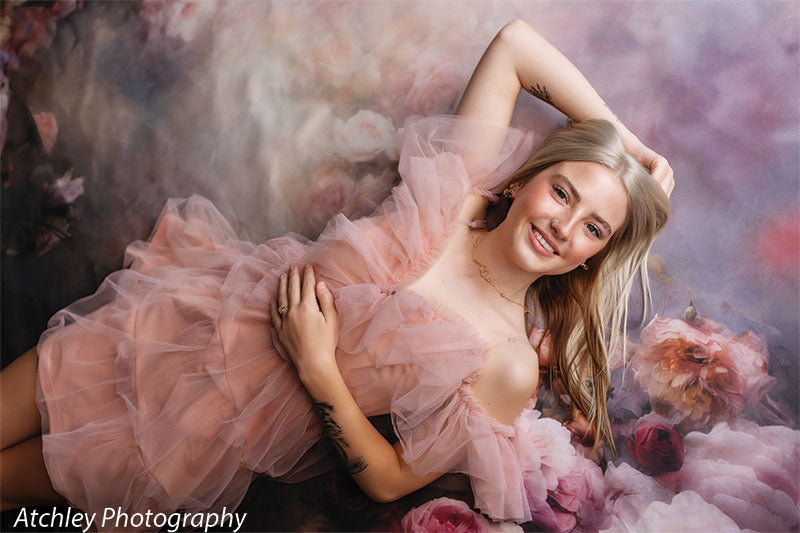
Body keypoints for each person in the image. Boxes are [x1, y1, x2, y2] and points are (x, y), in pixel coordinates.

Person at [1, 19, 672, 526]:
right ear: (527, 179)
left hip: (198, 435)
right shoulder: (455, 190)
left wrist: (317, 363)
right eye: (563, 191)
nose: (564, 223)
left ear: (593, 256)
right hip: (169, 320)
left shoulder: (506, 358)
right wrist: (624, 147)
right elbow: (517, 45)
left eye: (592, 227)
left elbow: (389, 479)